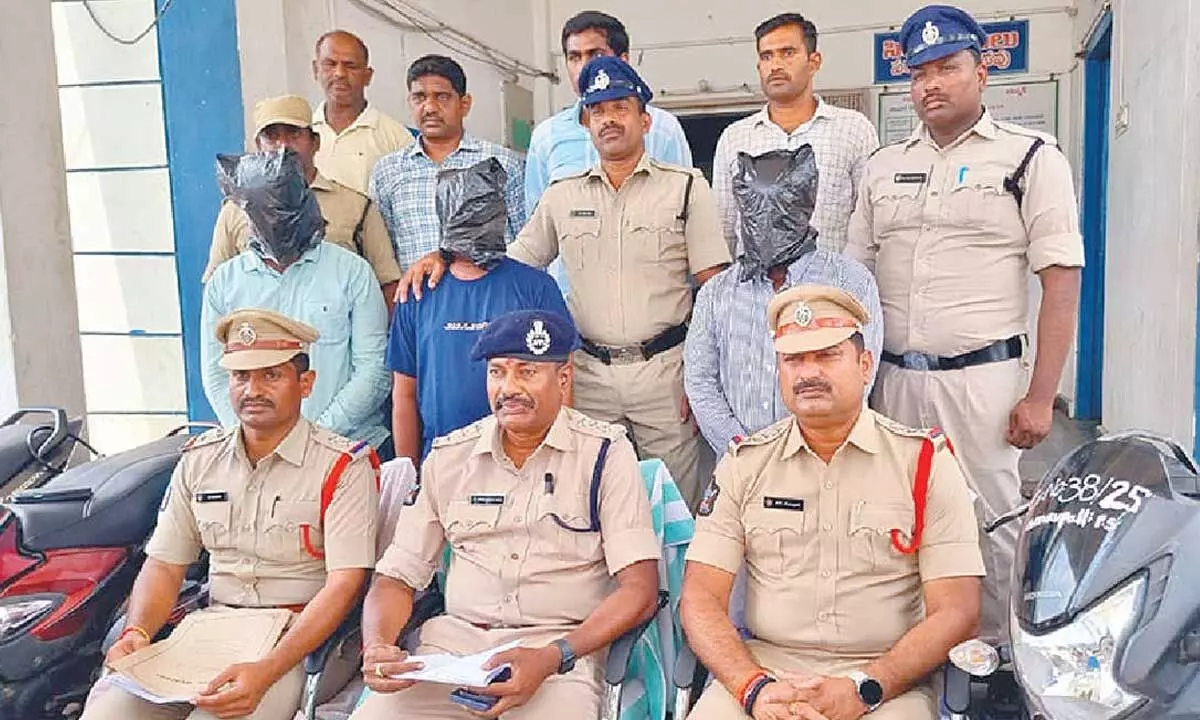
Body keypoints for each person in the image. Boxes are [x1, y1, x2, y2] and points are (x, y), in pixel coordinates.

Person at [846, 4, 1084, 647]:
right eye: (919, 72)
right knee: (895, 513)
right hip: (892, 380)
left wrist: (1041, 395)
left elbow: (1061, 281)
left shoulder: (1031, 158)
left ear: (982, 72)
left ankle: (999, 656)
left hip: (982, 382)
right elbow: (854, 280)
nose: (931, 84)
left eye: (947, 67)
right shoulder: (882, 167)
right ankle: (914, 650)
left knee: (993, 520)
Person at [396, 56, 732, 508]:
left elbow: (714, 289)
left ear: (645, 120)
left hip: (665, 376)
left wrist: (703, 376)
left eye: (620, 107)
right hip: (589, 377)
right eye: (597, 110)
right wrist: (443, 255)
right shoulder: (562, 195)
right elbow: (508, 263)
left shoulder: (686, 188)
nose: (609, 119)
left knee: (674, 507)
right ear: (586, 123)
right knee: (588, 501)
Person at [679, 285, 984, 720]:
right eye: (794, 360)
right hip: (765, 674)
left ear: (865, 365)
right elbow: (700, 596)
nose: (808, 373)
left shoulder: (924, 464)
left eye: (827, 355)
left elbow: (958, 610)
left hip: (886, 684)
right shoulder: (745, 465)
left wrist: (864, 688)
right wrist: (753, 689)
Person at [351, 309, 661, 720]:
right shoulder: (449, 457)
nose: (509, 388)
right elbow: (396, 577)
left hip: (558, 654)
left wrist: (555, 655)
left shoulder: (604, 454)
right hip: (453, 652)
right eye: (497, 372)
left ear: (563, 379)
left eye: (527, 372)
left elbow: (639, 589)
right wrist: (378, 646)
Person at [80, 309, 379, 720]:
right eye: (240, 376)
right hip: (208, 632)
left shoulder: (342, 466)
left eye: (271, 375)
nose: (252, 390)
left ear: (305, 383)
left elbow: (344, 585)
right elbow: (164, 565)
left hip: (296, 641)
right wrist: (138, 631)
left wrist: (267, 670)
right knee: (108, 714)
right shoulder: (199, 460)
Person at [686, 146, 883, 456]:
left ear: (804, 207)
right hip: (741, 460)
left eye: (780, 212)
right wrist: (743, 451)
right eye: (755, 210)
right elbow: (700, 382)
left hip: (828, 455)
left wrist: (810, 446)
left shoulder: (850, 281)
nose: (766, 224)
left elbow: (860, 374)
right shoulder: (716, 292)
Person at [203, 150, 392, 453]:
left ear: (303, 204)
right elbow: (216, 374)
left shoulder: (352, 272)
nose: (272, 220)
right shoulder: (224, 283)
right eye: (261, 211)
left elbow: (374, 370)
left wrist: (311, 437)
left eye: (280, 209)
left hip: (346, 449)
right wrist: (254, 437)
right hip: (258, 453)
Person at [387, 158, 569, 463]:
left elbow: (563, 380)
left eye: (484, 212)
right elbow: (404, 393)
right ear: (446, 216)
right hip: (443, 460)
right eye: (465, 214)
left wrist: (559, 460)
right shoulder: (417, 292)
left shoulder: (536, 287)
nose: (476, 223)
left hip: (526, 458)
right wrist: (408, 472)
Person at [526, 10, 693, 295]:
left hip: (651, 301)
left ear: (622, 60)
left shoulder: (663, 129)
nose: (584, 67)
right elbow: (535, 228)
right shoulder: (547, 137)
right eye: (574, 57)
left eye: (595, 54)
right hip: (569, 304)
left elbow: (686, 217)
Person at [204, 94, 402, 312]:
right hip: (260, 331)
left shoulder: (357, 207)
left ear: (315, 142)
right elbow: (216, 290)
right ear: (258, 145)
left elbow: (387, 285)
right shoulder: (236, 209)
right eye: (271, 136)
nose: (283, 146)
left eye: (294, 134)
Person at [712, 13, 878, 255]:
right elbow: (723, 231)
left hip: (829, 277)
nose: (775, 65)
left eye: (787, 53)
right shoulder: (735, 138)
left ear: (814, 62)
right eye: (766, 56)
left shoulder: (853, 130)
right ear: (759, 67)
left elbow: (869, 225)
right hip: (754, 278)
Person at [370, 54, 526, 270]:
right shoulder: (388, 171)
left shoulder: (502, 163)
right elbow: (384, 257)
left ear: (464, 104)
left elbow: (526, 244)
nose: (429, 108)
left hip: (491, 289)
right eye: (419, 97)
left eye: (441, 97)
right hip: (419, 291)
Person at [311, 30, 414, 194]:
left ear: (368, 76)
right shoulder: (299, 134)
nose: (339, 73)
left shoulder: (396, 139)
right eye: (330, 64)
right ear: (315, 70)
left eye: (350, 66)